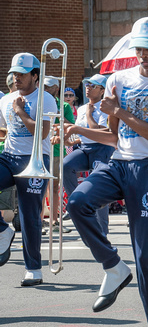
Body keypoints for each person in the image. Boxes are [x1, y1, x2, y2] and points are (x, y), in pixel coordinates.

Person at [65, 17, 148, 327]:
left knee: (146, 257)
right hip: (118, 162)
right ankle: (113, 266)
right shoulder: (118, 78)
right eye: (138, 47)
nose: (142, 54)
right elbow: (115, 135)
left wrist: (118, 108)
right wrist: (78, 131)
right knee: (77, 203)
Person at [0, 53, 58, 285]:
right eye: (14, 74)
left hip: (35, 159)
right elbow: (3, 130)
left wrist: (21, 112)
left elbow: (42, 134)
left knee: (29, 216)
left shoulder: (46, 99)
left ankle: (33, 268)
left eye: (22, 74)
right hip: (9, 156)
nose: (16, 78)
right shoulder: (6, 99)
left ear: (35, 76)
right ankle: (3, 231)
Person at [62, 74, 115, 235]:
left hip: (102, 149)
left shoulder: (107, 107)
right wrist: (73, 141)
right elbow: (83, 133)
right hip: (85, 148)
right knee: (65, 166)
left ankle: (102, 232)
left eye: (93, 85)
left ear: (101, 90)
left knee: (98, 187)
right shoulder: (81, 108)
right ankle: (76, 201)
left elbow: (99, 131)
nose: (88, 87)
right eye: (87, 84)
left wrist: (91, 115)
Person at [43, 76, 75, 233]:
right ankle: (40, 220)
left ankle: (55, 221)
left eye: (49, 86)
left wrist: (58, 122)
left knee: (54, 187)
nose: (45, 89)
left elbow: (71, 126)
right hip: (41, 151)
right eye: (43, 86)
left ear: (56, 88)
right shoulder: (39, 102)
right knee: (39, 187)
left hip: (56, 151)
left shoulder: (64, 106)